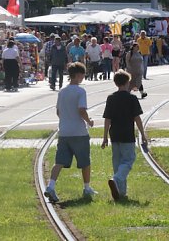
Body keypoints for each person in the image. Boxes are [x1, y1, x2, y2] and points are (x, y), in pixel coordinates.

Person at [44, 62, 97, 203]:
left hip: (64, 131)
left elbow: (58, 111)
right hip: (79, 132)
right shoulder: (80, 91)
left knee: (59, 161)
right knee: (85, 161)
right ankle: (87, 187)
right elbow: (81, 110)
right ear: (78, 75)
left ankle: (51, 186)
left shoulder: (62, 91)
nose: (83, 77)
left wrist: (66, 120)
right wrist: (89, 121)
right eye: (83, 75)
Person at [102, 70, 148, 201]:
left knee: (117, 163)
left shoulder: (111, 98)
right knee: (128, 160)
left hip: (114, 134)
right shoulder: (131, 98)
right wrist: (142, 134)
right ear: (128, 83)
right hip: (127, 135)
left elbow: (107, 119)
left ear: (115, 83)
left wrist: (105, 137)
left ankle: (121, 193)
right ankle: (116, 180)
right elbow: (137, 118)